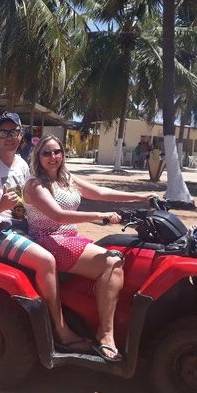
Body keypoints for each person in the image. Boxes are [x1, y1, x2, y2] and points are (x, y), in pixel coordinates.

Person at [22, 135, 156, 361]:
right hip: (49, 240)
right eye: (46, 153)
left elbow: (100, 193)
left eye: (57, 151)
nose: (53, 157)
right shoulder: (35, 185)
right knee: (112, 262)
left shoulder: (66, 178)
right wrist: (100, 215)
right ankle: (105, 335)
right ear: (38, 157)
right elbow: (59, 215)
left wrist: (143, 198)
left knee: (120, 252)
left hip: (70, 237)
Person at [0, 112, 89, 353]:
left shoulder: (21, 163)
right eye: (4, 132)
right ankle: (60, 330)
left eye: (14, 132)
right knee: (46, 260)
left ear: (21, 134)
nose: (10, 137)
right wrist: (0, 206)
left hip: (20, 225)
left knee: (63, 244)